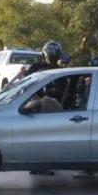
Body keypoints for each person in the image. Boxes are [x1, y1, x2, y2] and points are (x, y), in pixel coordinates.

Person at [25, 41, 65, 176]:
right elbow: (27, 86)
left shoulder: (61, 72)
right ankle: (39, 165)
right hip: (37, 107)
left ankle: (43, 164)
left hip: (50, 109)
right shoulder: (37, 68)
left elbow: (64, 91)